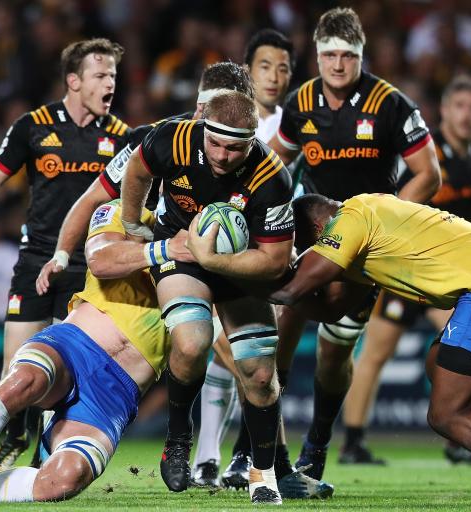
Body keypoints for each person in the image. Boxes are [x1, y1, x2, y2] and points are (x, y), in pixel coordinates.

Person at [270, 192, 471, 509]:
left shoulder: (350, 221)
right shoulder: (366, 222)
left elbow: (292, 290)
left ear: (319, 229)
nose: (312, 254)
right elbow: (331, 308)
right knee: (436, 365)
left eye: (309, 246)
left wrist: (228, 274)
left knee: (446, 414)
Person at [0, 198, 192, 503]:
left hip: (115, 394)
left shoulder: (205, 243)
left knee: (62, 481)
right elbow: (100, 259)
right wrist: (167, 249)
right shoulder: (130, 212)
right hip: (75, 346)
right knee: (23, 380)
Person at [263, 6, 441, 477]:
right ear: (317, 57)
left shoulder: (390, 103)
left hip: (363, 255)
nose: (338, 64)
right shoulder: (300, 104)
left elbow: (429, 174)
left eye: (348, 55)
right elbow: (275, 164)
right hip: (310, 240)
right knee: (278, 331)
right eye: (329, 55)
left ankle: (318, 444)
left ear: (361, 56)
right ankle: (260, 450)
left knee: (334, 349)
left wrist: (387, 223)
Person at [0, 38, 132, 475]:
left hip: (88, 267)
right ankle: (15, 434)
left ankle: (45, 452)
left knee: (66, 366)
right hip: (34, 260)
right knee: (16, 367)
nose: (110, 84)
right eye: (101, 76)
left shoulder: (122, 137)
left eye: (114, 77)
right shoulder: (34, 126)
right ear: (74, 81)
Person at [120, 90, 294, 504]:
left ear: (252, 141)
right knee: (192, 340)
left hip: (243, 263)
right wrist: (132, 222)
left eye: (234, 147)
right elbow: (137, 171)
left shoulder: (272, 177)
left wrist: (214, 260)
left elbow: (274, 261)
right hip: (181, 252)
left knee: (261, 374)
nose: (221, 154)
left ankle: (262, 474)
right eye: (214, 143)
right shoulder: (172, 139)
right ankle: (178, 438)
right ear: (203, 130)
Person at [340, 75, 471, 464]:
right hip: (407, 269)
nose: (466, 115)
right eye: (459, 106)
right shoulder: (426, 158)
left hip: (447, 275)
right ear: (443, 111)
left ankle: (461, 434)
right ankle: (353, 442)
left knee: (462, 346)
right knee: (375, 352)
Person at [36, 61, 255, 296]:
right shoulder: (154, 140)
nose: (222, 152)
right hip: (151, 252)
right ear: (201, 107)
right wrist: (61, 256)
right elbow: (93, 198)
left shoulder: (256, 158)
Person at [191, 28, 295, 489]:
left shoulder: (286, 131)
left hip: (259, 249)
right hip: (199, 255)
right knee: (233, 352)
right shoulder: (198, 132)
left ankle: (224, 457)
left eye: (283, 67)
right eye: (265, 66)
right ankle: (239, 457)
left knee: (241, 356)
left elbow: (290, 194)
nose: (275, 76)